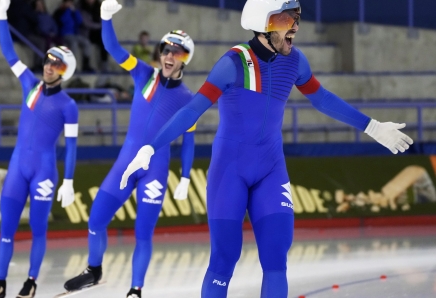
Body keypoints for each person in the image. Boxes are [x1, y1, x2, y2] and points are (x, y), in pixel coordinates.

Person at [120, 0, 414, 297]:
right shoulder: (233, 63)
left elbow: (322, 98)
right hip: (229, 171)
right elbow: (192, 110)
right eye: (287, 20)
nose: (295, 27)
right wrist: (149, 148)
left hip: (271, 170)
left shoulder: (295, 61)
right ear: (264, 24)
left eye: (297, 18)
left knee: (276, 260)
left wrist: (373, 127)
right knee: (223, 260)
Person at [62, 1, 196, 298]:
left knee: (143, 233)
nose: (169, 56)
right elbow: (112, 47)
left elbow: (189, 140)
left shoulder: (188, 99)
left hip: (156, 169)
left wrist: (185, 178)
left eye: (177, 52)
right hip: (126, 161)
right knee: (96, 219)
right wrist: (106, 16)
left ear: (186, 60)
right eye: (166, 50)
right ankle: (93, 270)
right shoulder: (144, 74)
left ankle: (135, 289)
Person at [0, 0, 79, 297]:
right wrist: (1, 16)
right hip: (17, 168)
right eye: (48, 61)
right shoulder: (28, 84)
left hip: (44, 171)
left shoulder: (69, 106)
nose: (49, 67)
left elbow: (72, 146)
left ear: (65, 72)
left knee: (38, 229)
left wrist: (69, 180)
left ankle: (31, 281)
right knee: (6, 230)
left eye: (56, 65)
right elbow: (8, 50)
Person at [53, 0, 94, 72]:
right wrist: (67, 10)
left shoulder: (74, 11)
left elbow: (80, 21)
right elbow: (63, 20)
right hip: (64, 34)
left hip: (75, 34)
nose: (70, 4)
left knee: (86, 42)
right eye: (68, 2)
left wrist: (75, 12)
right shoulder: (59, 11)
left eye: (71, 3)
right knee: (74, 43)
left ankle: (86, 64)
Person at [80, 0, 109, 71]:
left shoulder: (99, 7)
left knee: (105, 41)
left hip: (97, 32)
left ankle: (104, 64)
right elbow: (86, 23)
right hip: (87, 32)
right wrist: (99, 26)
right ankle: (86, 65)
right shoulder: (81, 8)